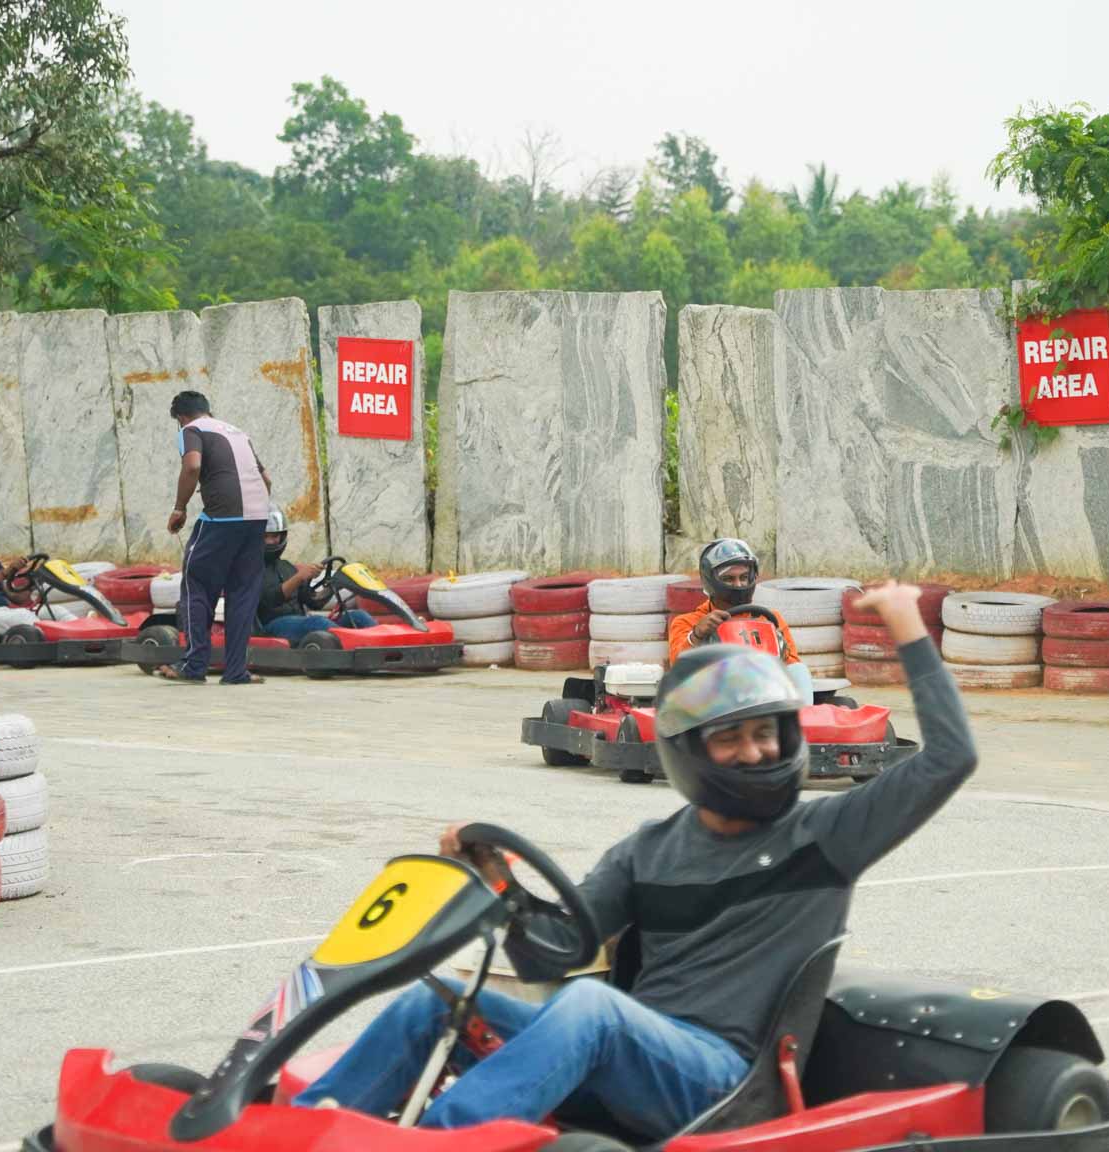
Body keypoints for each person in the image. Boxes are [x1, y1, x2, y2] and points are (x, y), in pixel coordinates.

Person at [295, 582, 974, 1139]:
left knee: (592, 1007)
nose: (758, 752)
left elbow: (950, 758)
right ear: (690, 751)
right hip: (628, 1055)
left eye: (766, 732)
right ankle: (295, 1132)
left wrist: (908, 626)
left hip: (721, 1082)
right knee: (430, 1003)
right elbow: (553, 955)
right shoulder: (650, 850)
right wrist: (498, 880)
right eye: (732, 738)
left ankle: (446, 1140)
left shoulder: (828, 834)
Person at [161, 390, 271, 685]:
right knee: (243, 593)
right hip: (258, 517)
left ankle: (194, 665)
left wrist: (180, 508)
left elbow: (193, 466)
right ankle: (236, 671)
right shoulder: (237, 432)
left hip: (222, 517)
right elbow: (266, 479)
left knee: (196, 582)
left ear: (181, 417)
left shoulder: (191, 429)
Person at [666, 538, 800, 665]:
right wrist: (696, 636)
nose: (739, 585)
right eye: (729, 579)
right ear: (710, 581)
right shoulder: (687, 623)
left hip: (762, 686)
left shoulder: (770, 620)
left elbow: (793, 667)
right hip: (716, 687)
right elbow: (679, 667)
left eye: (744, 577)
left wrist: (780, 648)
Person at [255, 510, 377, 644]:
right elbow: (269, 600)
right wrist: (299, 577)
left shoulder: (287, 567)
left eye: (274, 536)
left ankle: (382, 646)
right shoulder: (249, 570)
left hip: (300, 622)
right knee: (317, 623)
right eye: (265, 536)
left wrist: (332, 585)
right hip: (270, 627)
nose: (271, 542)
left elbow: (313, 603)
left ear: (282, 536)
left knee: (359, 616)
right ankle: (353, 646)